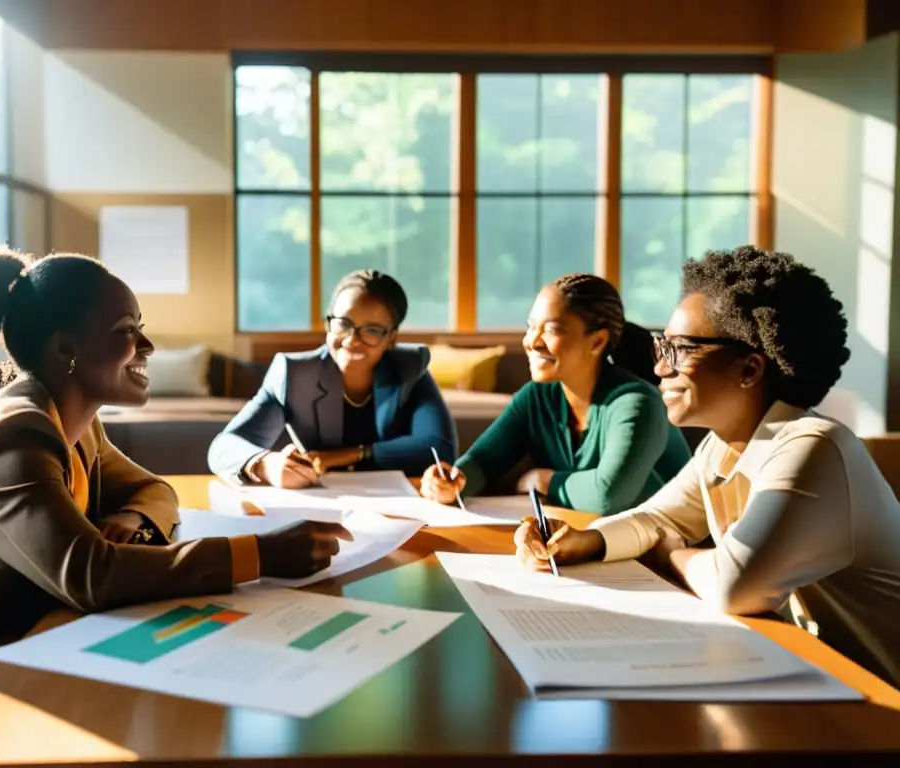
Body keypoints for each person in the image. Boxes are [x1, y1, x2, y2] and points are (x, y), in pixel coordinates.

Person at [0, 244, 348, 723]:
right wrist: (262, 554)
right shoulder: (14, 435)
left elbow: (156, 492)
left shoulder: (73, 422)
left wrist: (131, 516)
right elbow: (91, 576)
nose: (146, 347)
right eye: (126, 330)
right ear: (66, 349)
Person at [515, 246, 900, 686]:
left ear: (750, 369)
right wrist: (583, 541)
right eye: (663, 346)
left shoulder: (815, 448)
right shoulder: (722, 446)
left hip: (882, 703)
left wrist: (669, 552)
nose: (660, 366)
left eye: (679, 350)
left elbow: (734, 585)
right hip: (819, 679)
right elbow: (657, 517)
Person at [420, 274, 691, 514]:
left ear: (598, 341)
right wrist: (453, 481)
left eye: (551, 330)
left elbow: (609, 496)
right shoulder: (536, 397)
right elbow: (484, 461)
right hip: (597, 545)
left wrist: (546, 480)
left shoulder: (637, 403)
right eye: (531, 326)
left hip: (668, 559)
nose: (531, 341)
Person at [208, 269, 458, 487]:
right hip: (321, 508)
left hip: (398, 508)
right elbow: (224, 446)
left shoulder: (409, 369)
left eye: (372, 330)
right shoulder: (294, 374)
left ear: (391, 337)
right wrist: (265, 464)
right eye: (343, 323)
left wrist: (345, 455)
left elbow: (438, 448)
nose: (352, 340)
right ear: (329, 323)